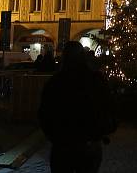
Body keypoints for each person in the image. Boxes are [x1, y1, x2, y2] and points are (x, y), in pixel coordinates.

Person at [39, 41, 116, 173]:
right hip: (89, 142)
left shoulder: (56, 82)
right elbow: (109, 107)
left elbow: (44, 112)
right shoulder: (96, 79)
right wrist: (102, 131)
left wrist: (53, 136)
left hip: (63, 144)